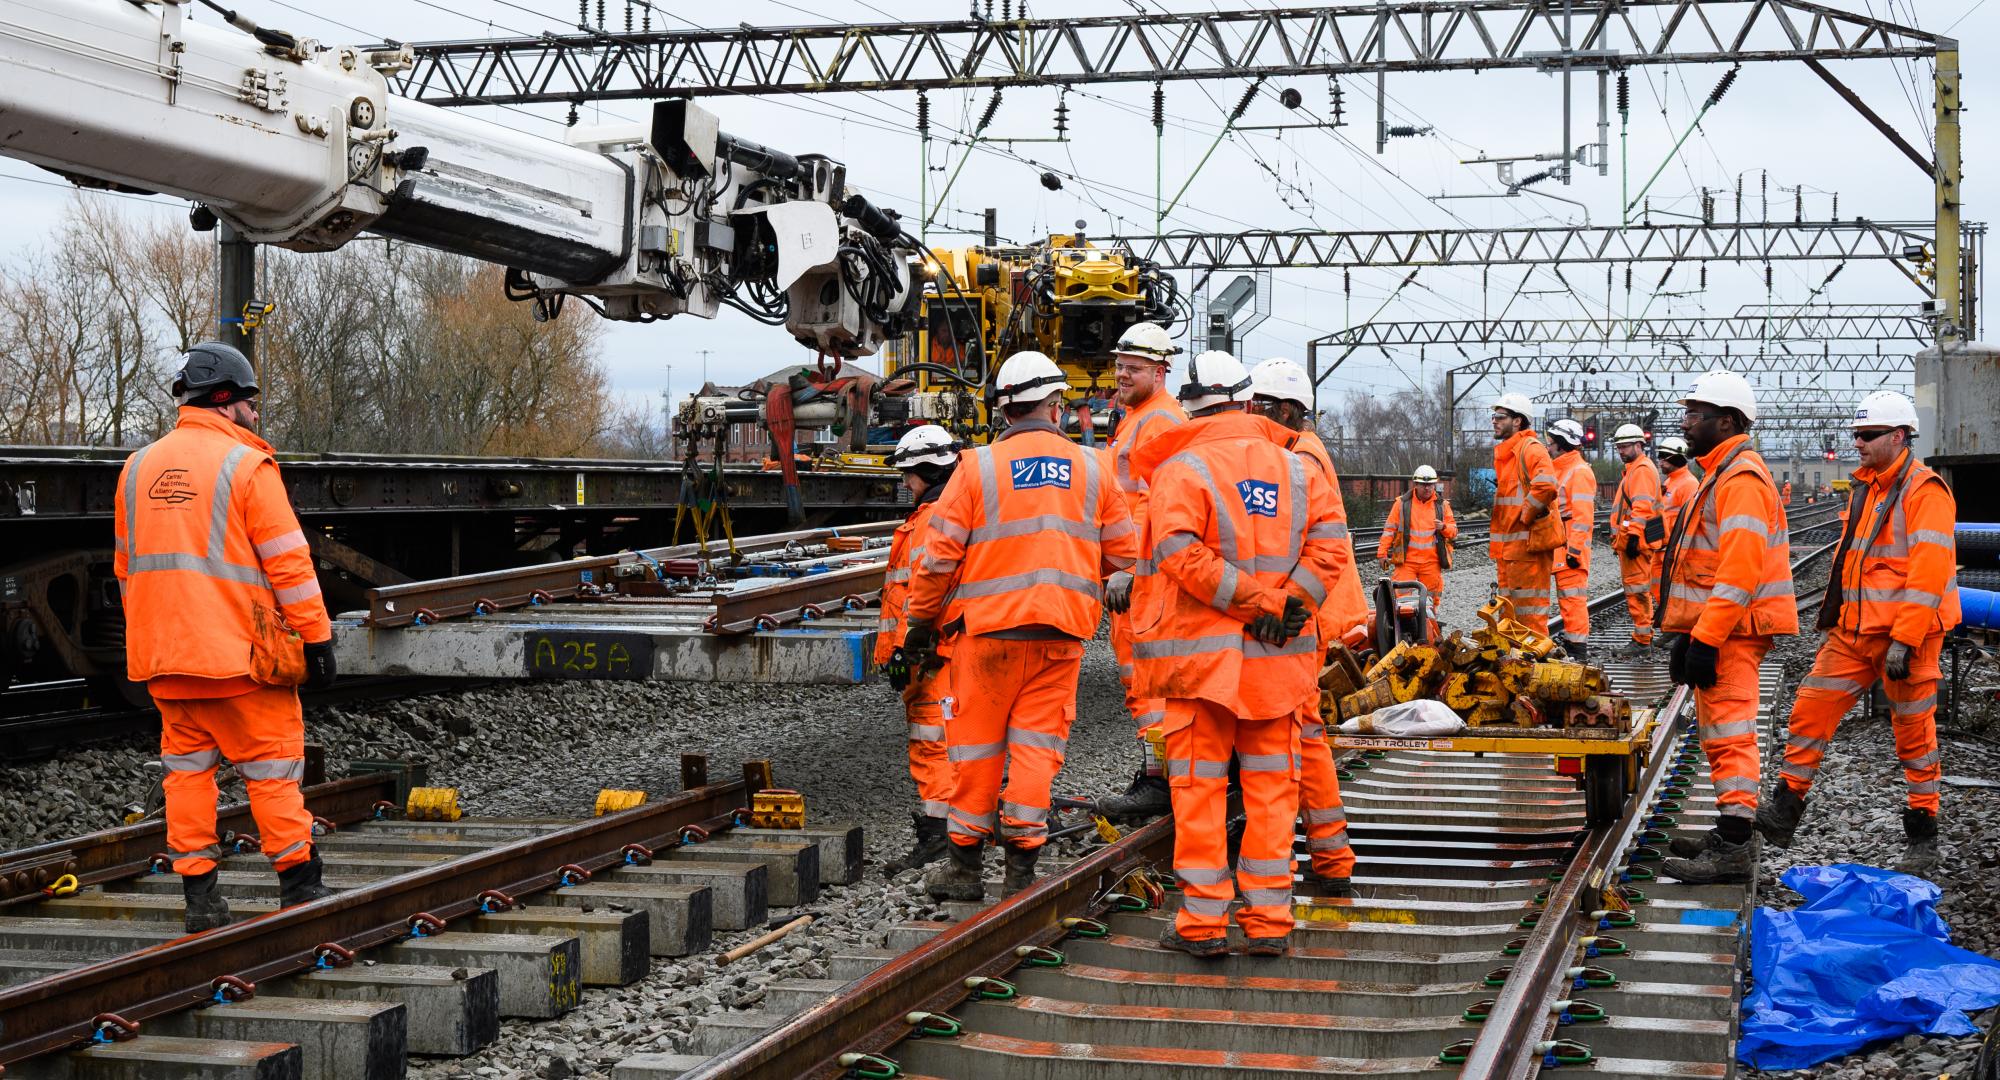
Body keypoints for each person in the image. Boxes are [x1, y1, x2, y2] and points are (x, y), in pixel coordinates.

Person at [1126, 351, 1347, 957]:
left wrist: (1255, 603)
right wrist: (1290, 606)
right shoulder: (1297, 469)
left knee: (1197, 791)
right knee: (1274, 791)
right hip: (1278, 667)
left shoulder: (1181, 467)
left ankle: (1202, 925)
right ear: (1249, 404)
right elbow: (1331, 546)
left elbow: (1179, 554)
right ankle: (1270, 922)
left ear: (1190, 408)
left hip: (1202, 668)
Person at [113, 342, 338, 934]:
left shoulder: (136, 469)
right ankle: (300, 886)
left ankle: (201, 898)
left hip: (165, 661)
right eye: (251, 402)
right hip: (238, 659)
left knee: (186, 774)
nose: (257, 414)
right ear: (226, 401)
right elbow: (290, 563)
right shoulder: (247, 467)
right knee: (272, 769)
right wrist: (317, 638)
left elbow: (125, 571)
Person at [906, 352, 1136, 900]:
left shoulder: (976, 467)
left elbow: (939, 557)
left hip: (987, 637)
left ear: (1005, 409)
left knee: (976, 749)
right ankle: (1020, 871)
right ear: (1056, 406)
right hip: (1060, 637)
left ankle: (963, 869)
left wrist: (919, 620)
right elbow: (1124, 557)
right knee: (1036, 750)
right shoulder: (1094, 467)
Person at [1758, 391, 1958, 876]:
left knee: (1914, 734)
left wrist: (1906, 638)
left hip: (1904, 639)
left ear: (1898, 436)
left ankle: (1923, 828)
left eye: (1867, 435)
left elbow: (1928, 571)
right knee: (1809, 710)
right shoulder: (1866, 487)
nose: (1858, 443)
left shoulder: (1924, 491)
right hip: (1853, 633)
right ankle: (1785, 810)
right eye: (1856, 435)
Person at [1657, 370, 1795, 885]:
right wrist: (1688, 634)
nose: (1686, 424)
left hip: (1733, 630)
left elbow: (1739, 573)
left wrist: (1706, 637)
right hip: (1720, 628)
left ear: (1729, 421)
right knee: (1720, 733)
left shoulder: (1740, 479)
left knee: (1733, 733)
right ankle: (1729, 829)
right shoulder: (1720, 474)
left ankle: (1735, 847)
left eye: (1696, 415)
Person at [1246, 356, 1363, 893]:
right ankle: (1332, 857)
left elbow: (1313, 547)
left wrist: (1283, 607)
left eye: (1265, 406)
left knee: (1294, 736)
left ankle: (1293, 860)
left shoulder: (1303, 460)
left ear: (1291, 410)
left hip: (1310, 614)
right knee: (1309, 734)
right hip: (1316, 612)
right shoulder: (1300, 451)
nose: (1255, 415)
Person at [1094, 322, 1187, 822]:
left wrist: (1131, 566)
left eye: (1133, 368)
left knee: (1149, 684)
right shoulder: (1136, 420)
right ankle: (1161, 775)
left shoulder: (1160, 422)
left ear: (1160, 370)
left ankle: (1160, 781)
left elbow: (1161, 503)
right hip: (1131, 575)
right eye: (1119, 365)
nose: (1121, 374)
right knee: (1142, 683)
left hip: (1142, 579)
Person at [875, 425, 963, 875]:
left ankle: (939, 832)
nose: (905, 485)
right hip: (934, 650)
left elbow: (920, 592)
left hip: (930, 654)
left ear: (927, 472)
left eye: (909, 475)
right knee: (946, 739)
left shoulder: (932, 519)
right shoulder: (940, 510)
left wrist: (903, 651)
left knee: (933, 741)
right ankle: (954, 826)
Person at [1489, 393, 1560, 635]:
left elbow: (1547, 485)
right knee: (1509, 615)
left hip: (1527, 549)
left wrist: (1526, 516)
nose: (1494, 421)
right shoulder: (1510, 454)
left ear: (1518, 421)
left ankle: (1534, 666)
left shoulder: (1530, 449)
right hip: (1511, 552)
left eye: (1500, 417)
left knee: (1529, 615)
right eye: (1494, 417)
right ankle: (1515, 665)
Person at [1608, 424, 1664, 649]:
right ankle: (1643, 636)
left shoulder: (1641, 470)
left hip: (1636, 542)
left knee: (1637, 589)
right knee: (1637, 589)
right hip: (1635, 539)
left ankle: (1642, 640)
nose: (1621, 451)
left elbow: (1641, 507)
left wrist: (1633, 537)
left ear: (1639, 445)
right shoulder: (1636, 468)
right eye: (1619, 447)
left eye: (1625, 446)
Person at [1547, 419, 1597, 661]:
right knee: (1566, 600)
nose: (1548, 446)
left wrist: (1574, 551)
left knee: (1573, 600)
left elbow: (1582, 517)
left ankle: (1578, 651)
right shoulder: (1562, 468)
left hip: (1570, 548)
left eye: (1551, 442)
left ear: (1562, 443)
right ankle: (1571, 646)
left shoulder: (1579, 471)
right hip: (1560, 545)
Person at [1376, 465, 1458, 602]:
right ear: (1416, 484)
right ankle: (1405, 623)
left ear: (1435, 485)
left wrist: (1443, 527)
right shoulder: (1401, 504)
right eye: (1423, 484)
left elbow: (1454, 531)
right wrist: (1382, 553)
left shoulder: (1442, 506)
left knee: (1431, 599)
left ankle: (1429, 623)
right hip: (1406, 561)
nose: (1427, 488)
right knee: (1401, 598)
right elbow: (1389, 530)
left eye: (1430, 484)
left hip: (1431, 562)